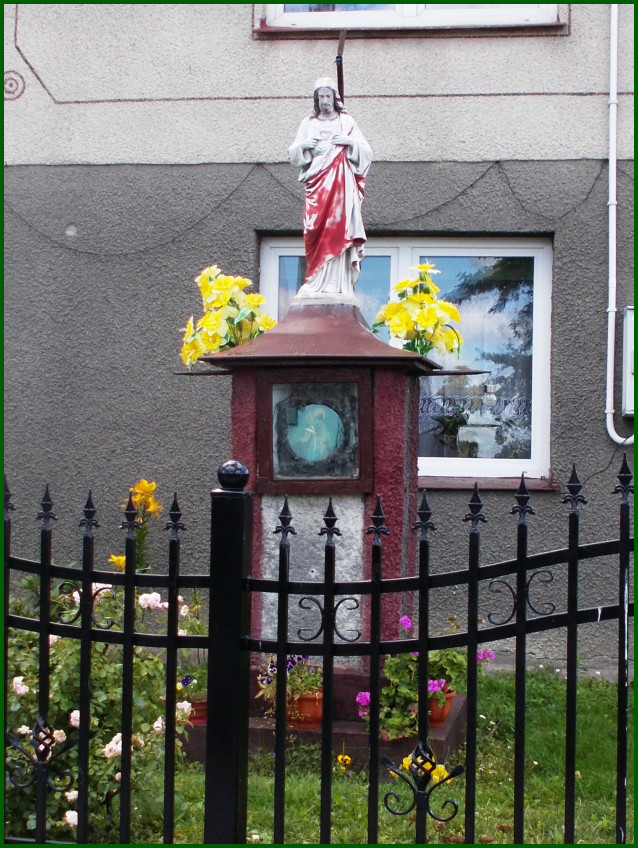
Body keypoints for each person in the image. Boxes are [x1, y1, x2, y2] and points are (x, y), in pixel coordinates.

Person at [288, 77, 372, 301]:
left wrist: (349, 142)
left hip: (340, 186)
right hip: (317, 185)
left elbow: (367, 152)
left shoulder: (346, 122)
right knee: (314, 229)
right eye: (321, 97)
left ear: (335, 97)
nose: (324, 100)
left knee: (338, 228)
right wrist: (304, 146)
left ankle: (337, 282)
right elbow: (293, 154)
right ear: (316, 99)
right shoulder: (308, 123)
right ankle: (315, 279)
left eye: (328, 96)